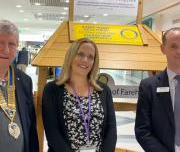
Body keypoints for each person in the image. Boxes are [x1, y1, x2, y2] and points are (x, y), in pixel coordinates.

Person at [42, 38, 117, 152]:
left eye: (91, 57)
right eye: (80, 54)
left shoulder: (103, 90)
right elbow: (53, 134)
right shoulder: (52, 89)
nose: (85, 60)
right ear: (70, 56)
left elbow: (111, 130)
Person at [135, 27, 180, 152]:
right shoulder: (148, 86)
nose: (179, 51)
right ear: (163, 49)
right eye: (173, 46)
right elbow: (142, 130)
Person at [0, 20, 39, 152]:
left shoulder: (24, 81)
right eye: (0, 42)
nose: (5, 50)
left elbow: (31, 127)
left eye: (11, 44)